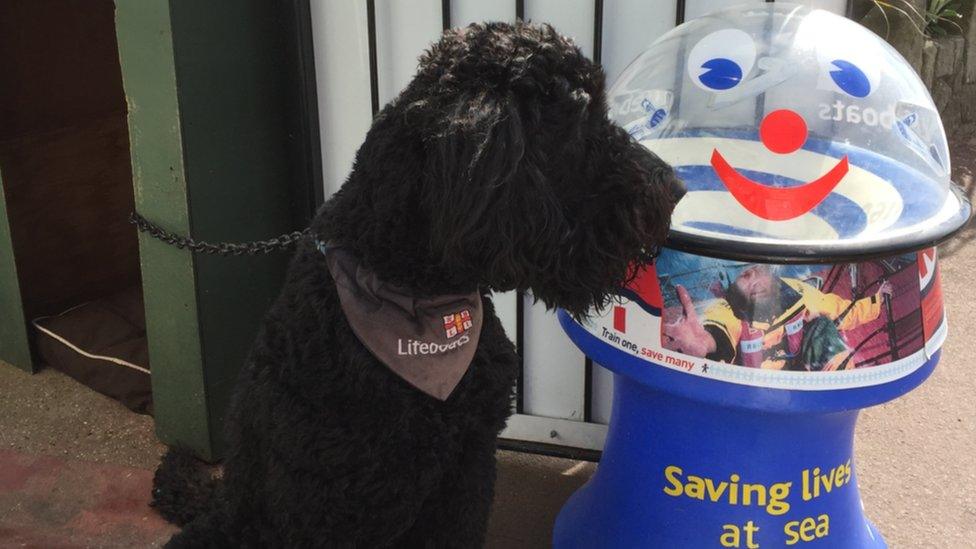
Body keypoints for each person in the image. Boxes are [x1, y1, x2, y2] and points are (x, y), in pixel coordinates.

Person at [662, 265, 892, 371]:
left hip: (800, 380)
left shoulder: (800, 293)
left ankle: (838, 380)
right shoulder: (728, 310)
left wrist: (876, 301)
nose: (754, 278)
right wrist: (709, 343)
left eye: (758, 269)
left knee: (821, 323)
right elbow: (718, 328)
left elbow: (842, 311)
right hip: (752, 388)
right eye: (744, 275)